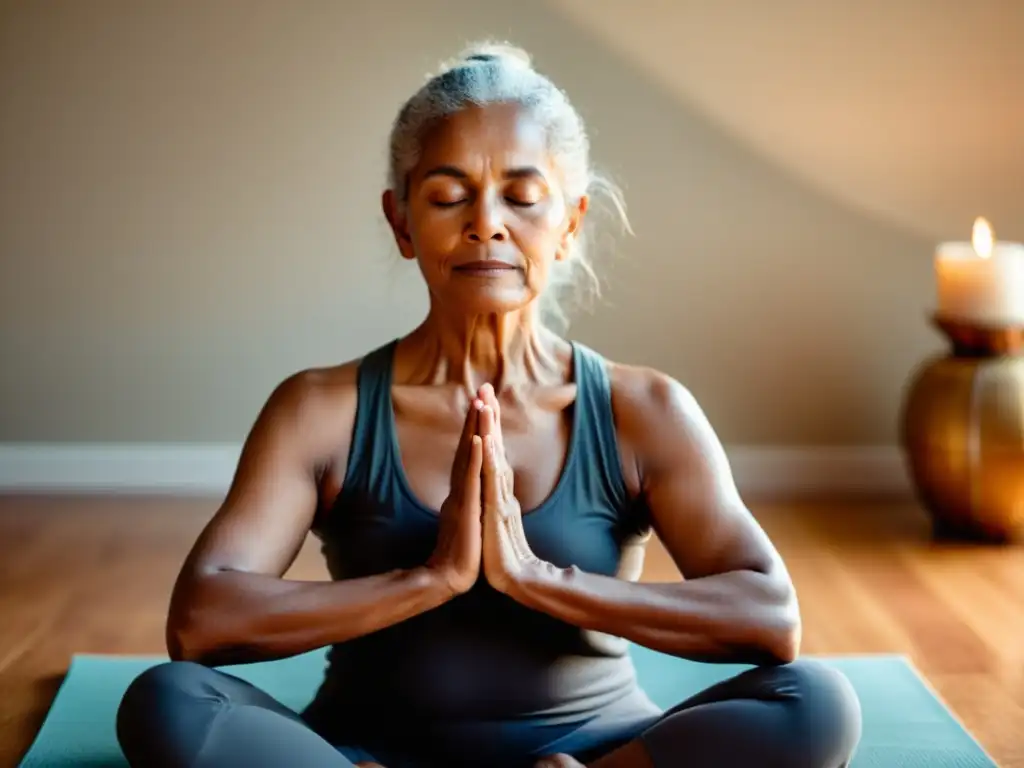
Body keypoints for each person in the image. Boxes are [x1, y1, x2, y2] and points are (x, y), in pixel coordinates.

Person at [115, 41, 862, 768]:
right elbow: (201, 623)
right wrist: (429, 579)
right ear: (402, 221)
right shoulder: (321, 409)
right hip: (362, 749)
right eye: (447, 196)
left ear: (570, 223)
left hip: (597, 748)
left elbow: (770, 619)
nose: (486, 223)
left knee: (818, 702)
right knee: (169, 701)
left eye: (523, 196)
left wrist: (536, 579)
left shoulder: (644, 410)